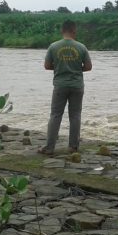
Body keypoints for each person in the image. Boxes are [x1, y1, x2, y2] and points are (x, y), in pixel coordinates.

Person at [39, 20, 92, 155]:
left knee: (55, 115)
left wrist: (58, 67)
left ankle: (49, 148)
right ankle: (73, 147)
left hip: (60, 85)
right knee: (75, 115)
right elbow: (88, 67)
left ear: (62, 31)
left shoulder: (53, 46)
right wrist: (75, 69)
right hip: (77, 85)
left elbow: (46, 66)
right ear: (74, 31)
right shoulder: (81, 47)